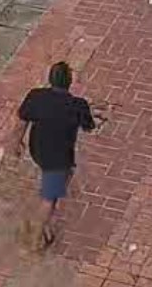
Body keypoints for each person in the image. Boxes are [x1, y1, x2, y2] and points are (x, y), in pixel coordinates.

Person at [15, 61, 96, 248]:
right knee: (49, 199)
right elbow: (89, 127)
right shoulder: (77, 105)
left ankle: (40, 214)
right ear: (69, 82)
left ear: (50, 80)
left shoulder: (35, 96)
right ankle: (35, 236)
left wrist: (17, 142)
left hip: (37, 150)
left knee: (50, 183)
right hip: (58, 160)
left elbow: (21, 122)